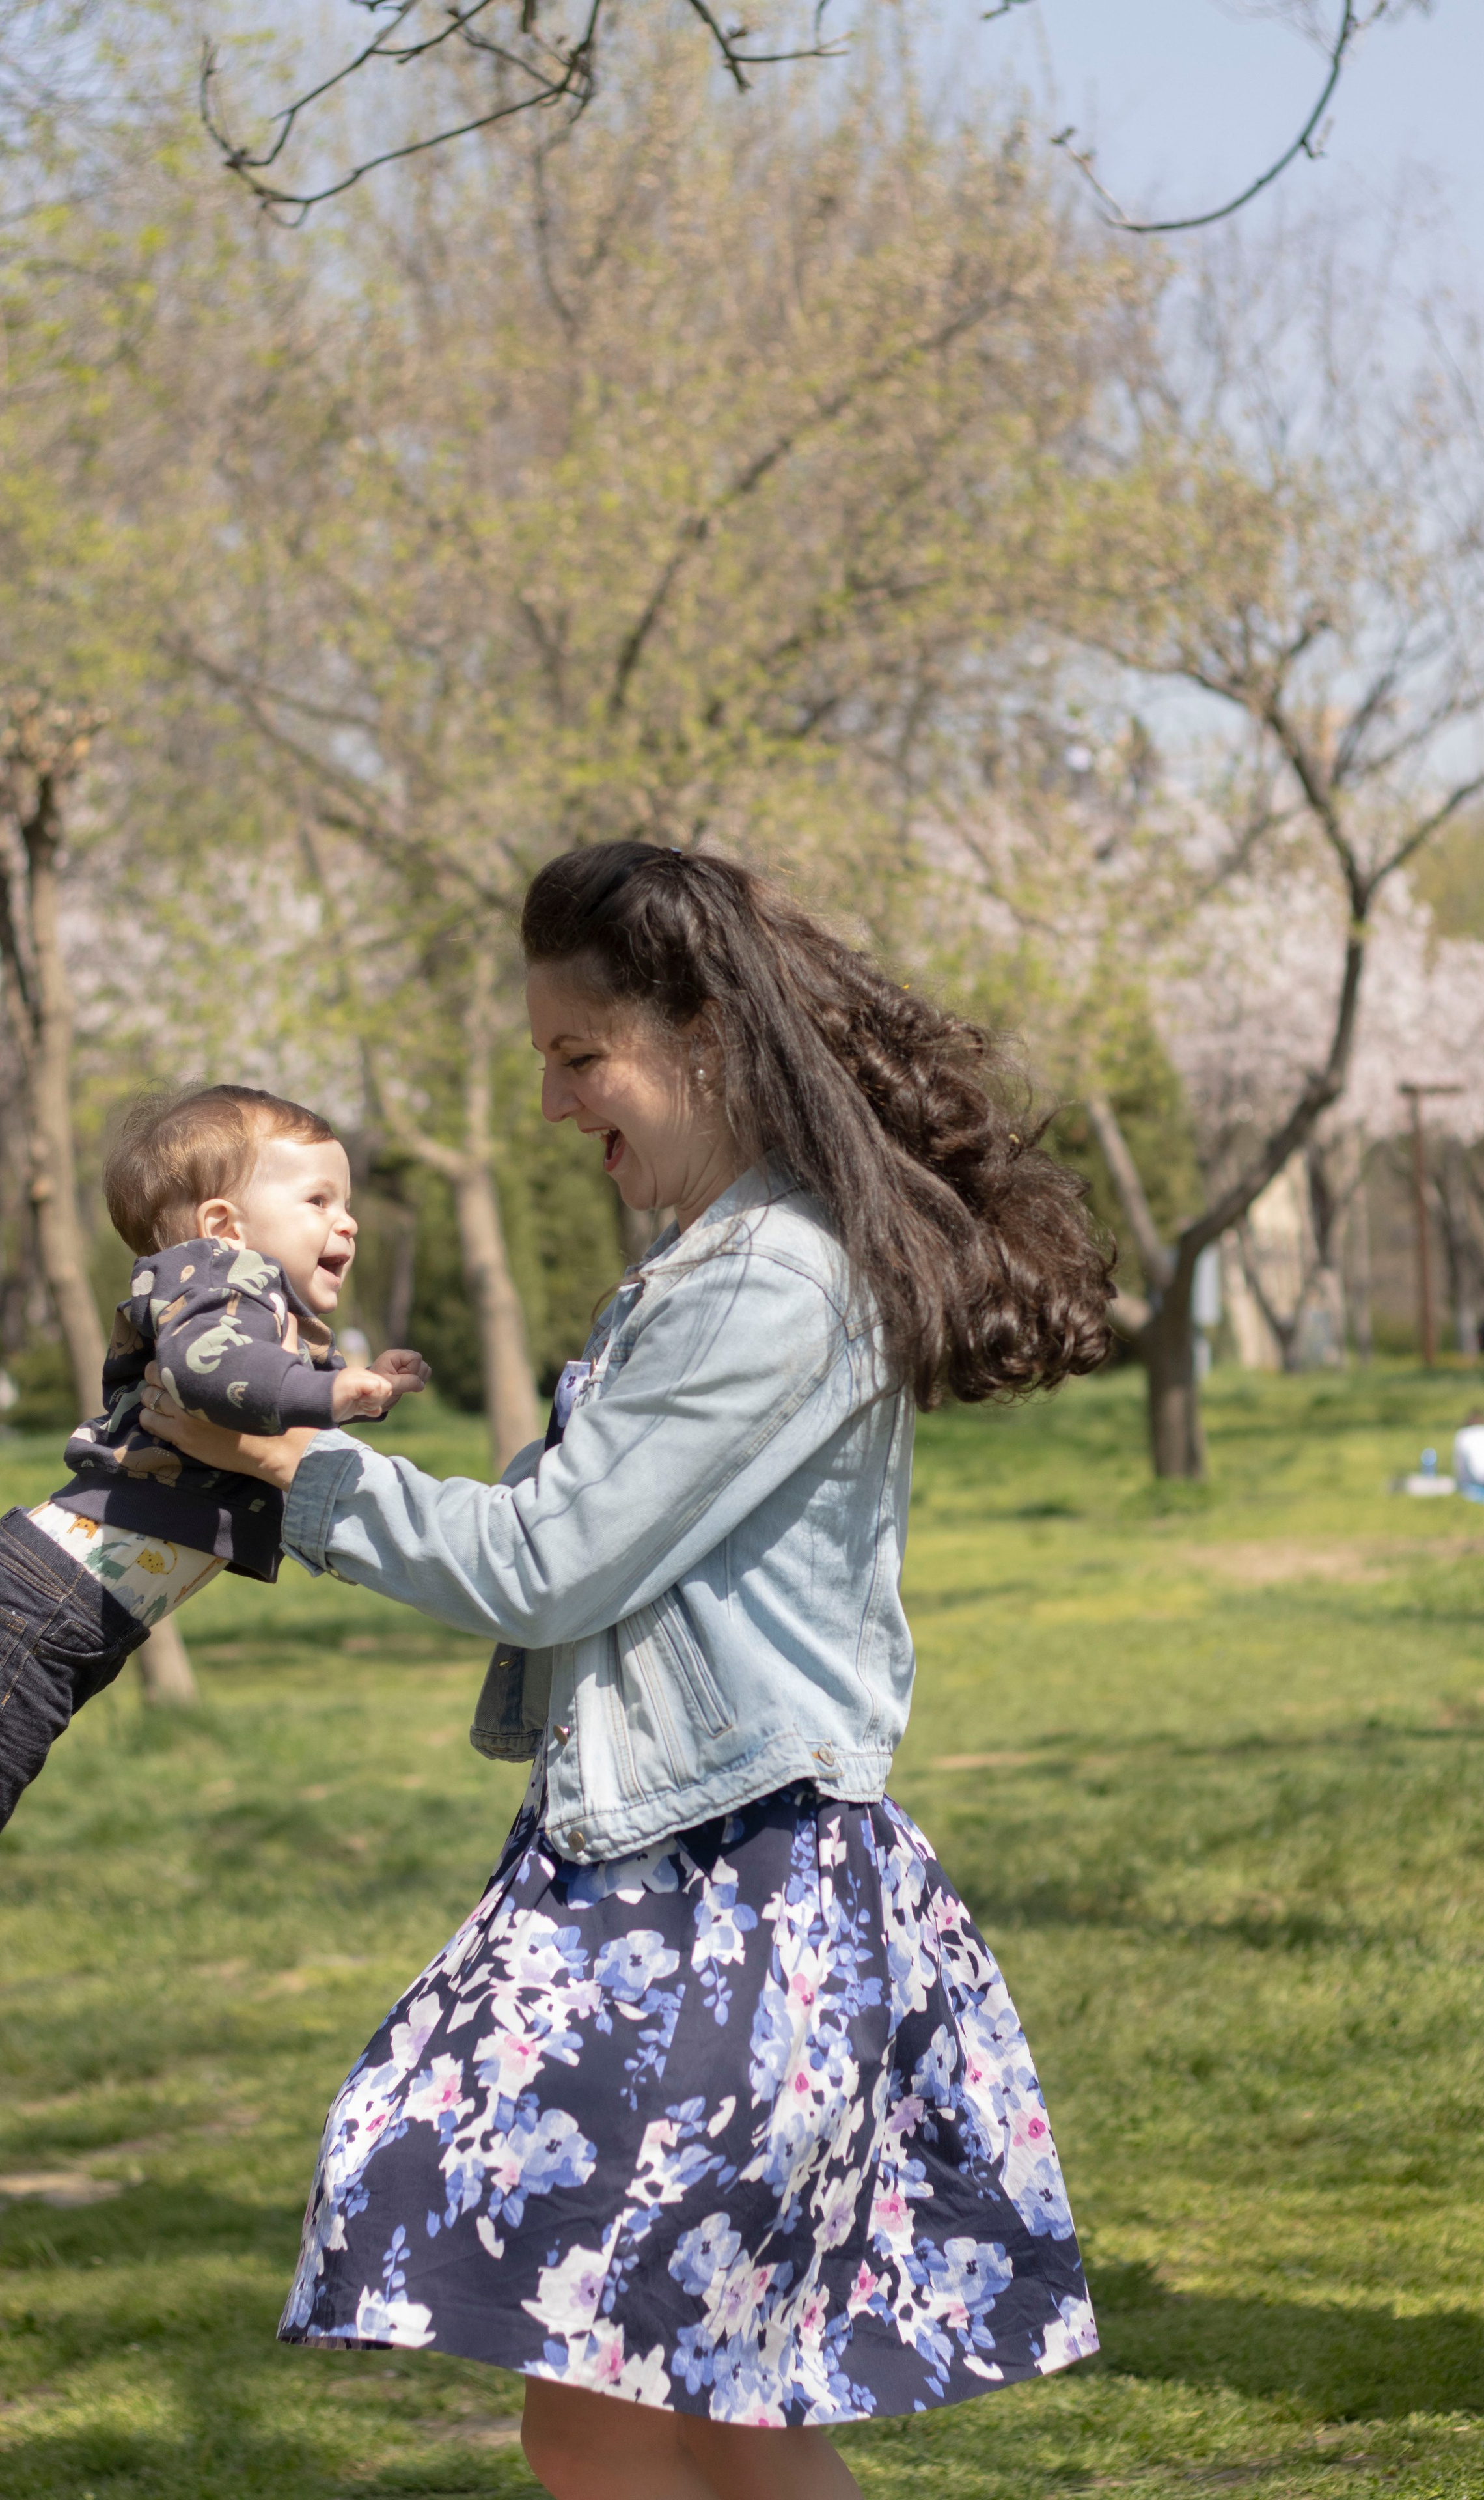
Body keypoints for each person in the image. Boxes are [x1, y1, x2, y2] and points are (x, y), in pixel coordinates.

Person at [137, 842, 1112, 2500]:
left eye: (578, 1055)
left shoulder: (767, 1280)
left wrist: (291, 1467)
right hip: (682, 1870)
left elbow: (545, 1564)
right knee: (710, 2404)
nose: (549, 1102)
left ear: (704, 1035)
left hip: (719, 1888)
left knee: (589, 2386)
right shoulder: (719, 1264)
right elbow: (551, 1536)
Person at [0, 1085, 428, 1829]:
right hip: (46, 1601)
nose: (348, 1222)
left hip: (75, 1610)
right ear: (224, 1227)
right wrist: (329, 1394)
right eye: (319, 1201)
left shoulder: (255, 1311)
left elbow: (262, 1388)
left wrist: (360, 1388)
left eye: (347, 1203)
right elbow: (210, 1370)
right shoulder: (214, 1280)